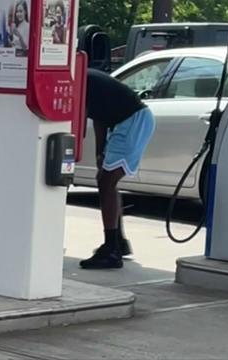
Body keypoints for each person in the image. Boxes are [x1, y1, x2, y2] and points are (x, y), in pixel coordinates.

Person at [79, 69, 156, 269]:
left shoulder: (81, 78)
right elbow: (99, 118)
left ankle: (111, 249)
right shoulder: (87, 77)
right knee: (105, 180)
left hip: (131, 121)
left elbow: (81, 116)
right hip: (130, 121)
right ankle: (118, 243)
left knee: (107, 182)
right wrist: (99, 153)